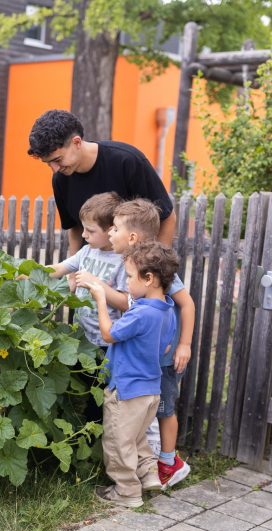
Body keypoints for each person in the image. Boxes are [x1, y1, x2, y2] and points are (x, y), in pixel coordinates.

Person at [75, 240, 178, 507]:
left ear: (149, 279)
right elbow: (166, 346)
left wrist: (100, 298)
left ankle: (127, 491)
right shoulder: (167, 310)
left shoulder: (142, 313)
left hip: (127, 390)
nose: (128, 282)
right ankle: (149, 475)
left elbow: (109, 334)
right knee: (137, 438)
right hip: (150, 391)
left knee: (118, 442)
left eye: (130, 277)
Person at [107, 200, 194, 490]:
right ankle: (152, 466)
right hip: (150, 356)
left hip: (166, 358)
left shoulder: (154, 267)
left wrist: (184, 344)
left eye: (115, 228)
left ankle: (169, 463)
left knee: (165, 409)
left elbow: (187, 304)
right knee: (149, 414)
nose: (110, 233)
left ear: (132, 237)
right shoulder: (133, 267)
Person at [27, 109, 176, 256]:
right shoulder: (60, 179)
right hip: (94, 268)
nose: (54, 169)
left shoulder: (128, 161)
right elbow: (75, 228)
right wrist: (73, 270)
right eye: (48, 163)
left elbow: (166, 217)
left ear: (77, 142)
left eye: (57, 160)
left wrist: (155, 267)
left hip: (135, 268)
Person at [46, 192, 126, 347]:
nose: (83, 235)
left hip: (107, 343)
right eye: (83, 229)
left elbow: (126, 303)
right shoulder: (86, 251)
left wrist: (95, 283)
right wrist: (30, 271)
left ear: (111, 230)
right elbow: (59, 268)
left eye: (90, 230)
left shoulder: (123, 260)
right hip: (80, 338)